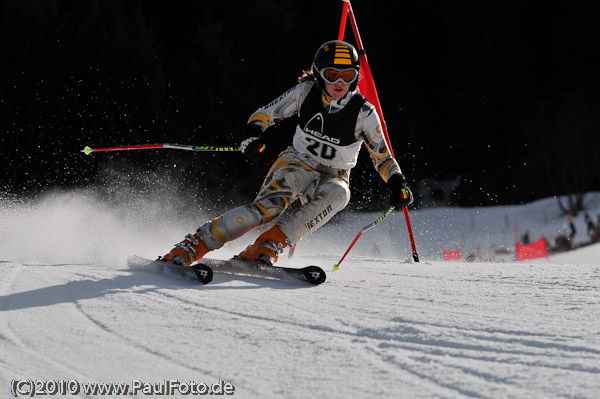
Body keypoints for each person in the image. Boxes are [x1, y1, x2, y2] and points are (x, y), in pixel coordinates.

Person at [161, 40, 414, 266]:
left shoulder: (364, 112)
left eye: (347, 75)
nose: (340, 83)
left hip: (335, 175)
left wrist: (397, 182)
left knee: (340, 194)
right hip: (297, 163)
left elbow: (382, 157)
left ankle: (267, 244)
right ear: (318, 74)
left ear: (356, 77)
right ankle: (194, 245)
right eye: (332, 74)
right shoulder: (306, 93)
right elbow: (265, 114)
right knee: (266, 211)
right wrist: (253, 136)